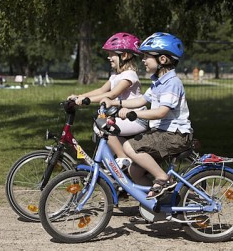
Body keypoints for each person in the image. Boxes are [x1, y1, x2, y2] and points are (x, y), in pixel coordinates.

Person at [100, 32, 193, 199]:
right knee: (134, 171)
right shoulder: (158, 82)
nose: (142, 60)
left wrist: (133, 113)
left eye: (146, 57)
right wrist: (116, 103)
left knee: (129, 147)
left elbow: (161, 112)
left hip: (176, 135)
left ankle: (163, 178)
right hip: (163, 133)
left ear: (162, 60)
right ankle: (160, 203)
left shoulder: (172, 83)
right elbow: (142, 99)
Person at [68, 32, 148, 168]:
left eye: (112, 54)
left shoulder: (129, 75)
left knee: (101, 125)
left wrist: (86, 100)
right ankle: (119, 172)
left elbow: (111, 94)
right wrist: (80, 96)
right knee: (105, 144)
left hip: (136, 118)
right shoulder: (116, 75)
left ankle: (123, 159)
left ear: (124, 55)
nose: (108, 57)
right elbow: (101, 91)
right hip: (124, 119)